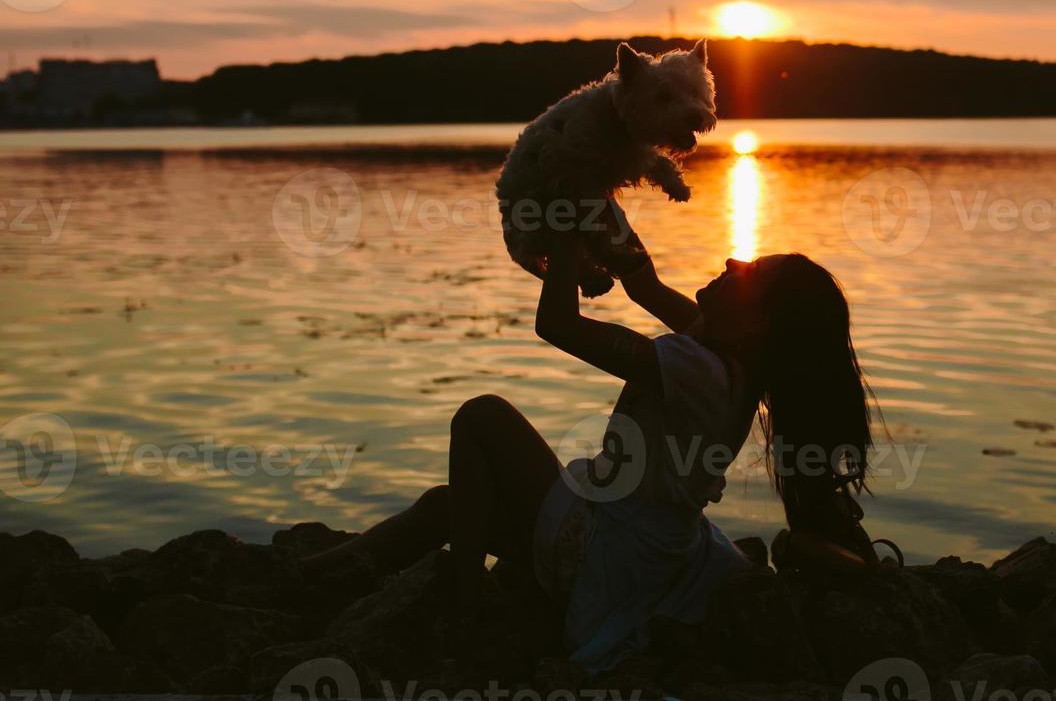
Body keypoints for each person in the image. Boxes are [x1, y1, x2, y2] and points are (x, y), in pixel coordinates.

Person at [306, 226, 877, 671]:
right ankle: (314, 574)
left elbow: (556, 324)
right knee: (444, 506)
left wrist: (565, 239)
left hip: (607, 544)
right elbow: (646, 289)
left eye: (749, 272)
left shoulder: (697, 367)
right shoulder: (738, 366)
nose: (733, 261)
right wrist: (624, 253)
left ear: (756, 324)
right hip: (648, 548)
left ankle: (464, 606)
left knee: (481, 415)